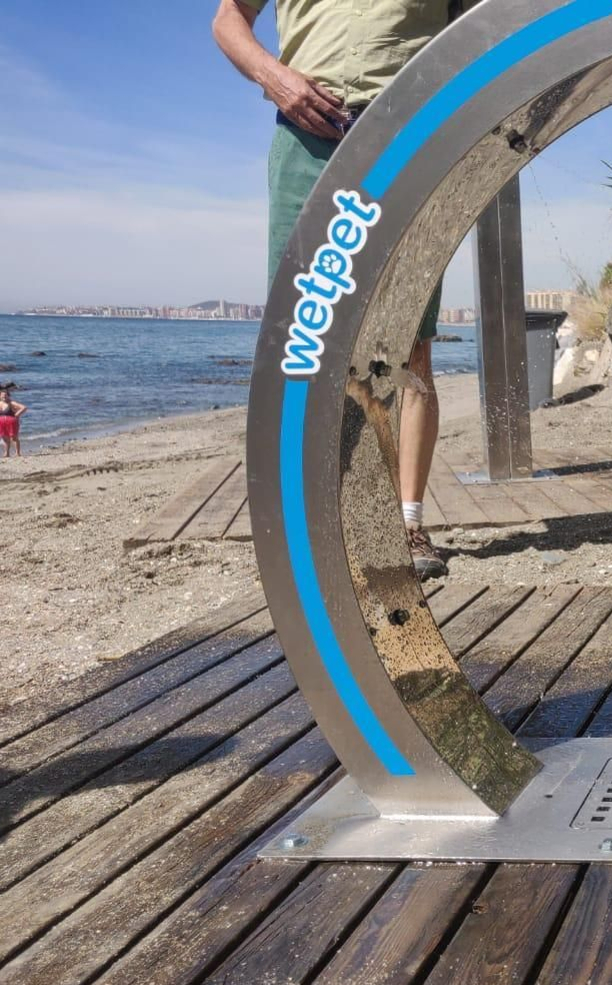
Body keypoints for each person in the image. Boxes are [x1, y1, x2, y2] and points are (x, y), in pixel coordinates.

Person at [213, 0, 455, 579]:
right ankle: (326, 525)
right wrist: (275, 80)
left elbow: (485, 27)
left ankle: (408, 525)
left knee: (410, 348)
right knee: (305, 338)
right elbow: (227, 19)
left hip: (409, 137)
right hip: (305, 139)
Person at [0, 386, 26, 458]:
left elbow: (24, 407)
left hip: (11, 422)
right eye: (2, 396)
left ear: (8, 396)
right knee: (4, 438)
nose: (4, 397)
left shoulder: (11, 403)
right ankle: (7, 453)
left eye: (5, 395)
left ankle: (18, 453)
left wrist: (17, 414)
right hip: (1, 423)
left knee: (13, 438)